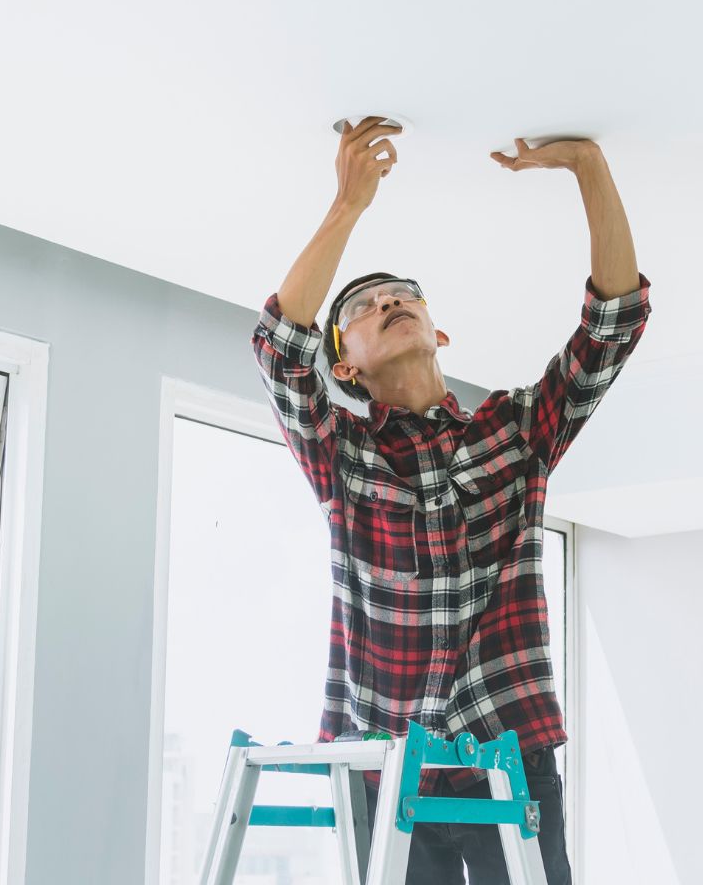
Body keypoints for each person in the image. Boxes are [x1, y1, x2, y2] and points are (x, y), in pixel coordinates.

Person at [250, 116, 650, 883]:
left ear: (441, 334)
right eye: (365, 308)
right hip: (384, 768)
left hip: (507, 758)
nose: (390, 302)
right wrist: (348, 205)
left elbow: (614, 323)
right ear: (348, 367)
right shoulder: (344, 455)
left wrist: (590, 166)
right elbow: (279, 348)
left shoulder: (516, 432)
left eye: (405, 296)